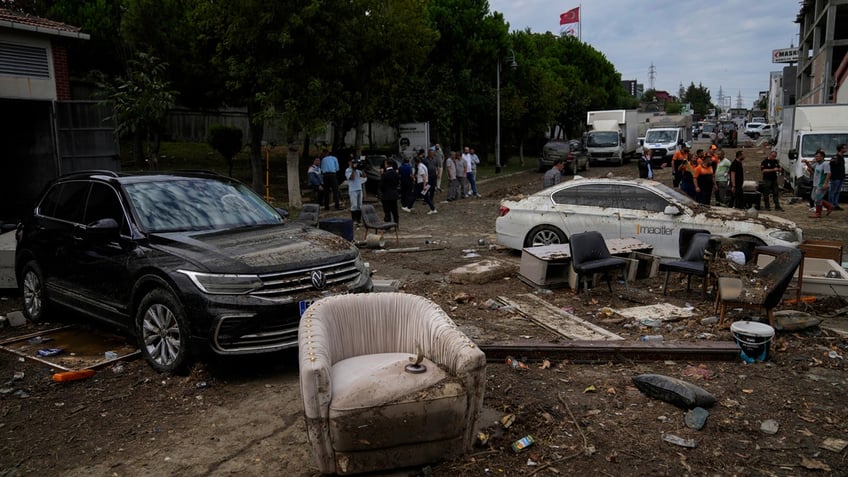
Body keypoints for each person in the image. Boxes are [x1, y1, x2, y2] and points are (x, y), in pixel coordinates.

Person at [805, 149, 833, 218]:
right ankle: (829, 206)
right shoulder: (817, 164)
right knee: (814, 198)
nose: (816, 158)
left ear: (822, 157)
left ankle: (818, 213)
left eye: (818, 156)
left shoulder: (825, 164)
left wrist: (825, 183)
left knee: (817, 199)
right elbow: (811, 168)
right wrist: (807, 163)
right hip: (815, 183)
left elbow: (828, 174)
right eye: (816, 156)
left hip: (821, 184)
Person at [345, 156, 367, 224]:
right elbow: (352, 178)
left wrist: (362, 169)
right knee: (354, 205)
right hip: (352, 189)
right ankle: (354, 220)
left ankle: (359, 219)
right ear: (349, 162)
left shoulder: (358, 170)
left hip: (359, 188)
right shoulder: (348, 170)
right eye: (352, 162)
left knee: (359, 205)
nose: (353, 163)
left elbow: (364, 176)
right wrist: (353, 169)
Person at [379, 158, 400, 224]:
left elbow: (381, 185)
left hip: (386, 194)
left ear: (386, 165)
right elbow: (397, 183)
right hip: (394, 193)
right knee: (395, 211)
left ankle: (388, 225)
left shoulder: (385, 174)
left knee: (387, 211)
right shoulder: (396, 173)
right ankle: (396, 224)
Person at [829, 143, 846, 211]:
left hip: (840, 177)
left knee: (837, 192)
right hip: (835, 177)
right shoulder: (836, 157)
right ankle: (831, 205)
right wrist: (833, 162)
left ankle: (835, 204)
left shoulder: (841, 157)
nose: (846, 149)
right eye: (844, 148)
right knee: (832, 191)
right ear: (841, 149)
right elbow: (831, 164)